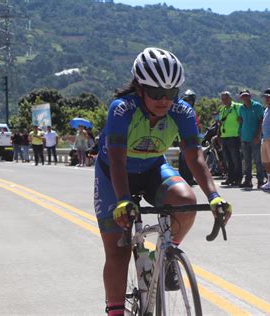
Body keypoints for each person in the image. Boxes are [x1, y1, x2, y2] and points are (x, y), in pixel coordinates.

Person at [94, 47, 232, 315]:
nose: (164, 100)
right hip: (114, 174)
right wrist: (123, 201)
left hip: (152, 168)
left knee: (186, 202)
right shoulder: (122, 109)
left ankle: (168, 255)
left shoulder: (183, 111)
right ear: (140, 88)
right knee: (118, 250)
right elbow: (118, 161)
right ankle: (115, 311)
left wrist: (214, 196)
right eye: (157, 93)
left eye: (171, 94)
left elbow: (195, 156)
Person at [238, 89, 265, 189]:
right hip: (244, 137)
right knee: (247, 161)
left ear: (250, 96)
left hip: (255, 138)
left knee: (258, 160)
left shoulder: (257, 106)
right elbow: (241, 121)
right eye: (243, 96)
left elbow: (260, 121)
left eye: (246, 95)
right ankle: (248, 180)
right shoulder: (241, 108)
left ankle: (260, 181)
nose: (245, 98)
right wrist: (240, 134)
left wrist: (257, 135)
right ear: (241, 98)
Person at [218, 91, 242, 186]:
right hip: (224, 137)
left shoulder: (237, 107)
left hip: (234, 136)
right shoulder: (222, 110)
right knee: (228, 160)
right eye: (223, 99)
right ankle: (230, 178)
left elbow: (244, 116)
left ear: (230, 98)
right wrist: (219, 135)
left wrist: (242, 120)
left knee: (236, 159)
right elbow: (220, 124)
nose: (224, 101)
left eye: (226, 98)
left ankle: (238, 179)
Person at [178, 89, 199, 186]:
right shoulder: (181, 111)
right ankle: (184, 178)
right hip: (183, 138)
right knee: (184, 159)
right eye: (187, 100)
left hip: (192, 138)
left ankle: (190, 178)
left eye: (191, 100)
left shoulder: (192, 111)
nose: (189, 102)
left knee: (191, 159)